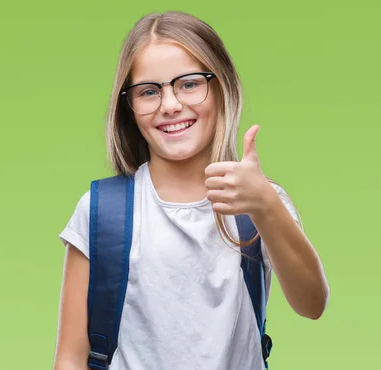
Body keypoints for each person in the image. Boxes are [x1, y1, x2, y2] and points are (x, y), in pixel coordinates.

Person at [53, 11, 329, 370]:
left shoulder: (259, 202)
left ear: (221, 86)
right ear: (129, 107)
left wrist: (265, 206)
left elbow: (312, 304)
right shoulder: (100, 211)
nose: (170, 105)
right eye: (149, 91)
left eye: (189, 84)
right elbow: (71, 358)